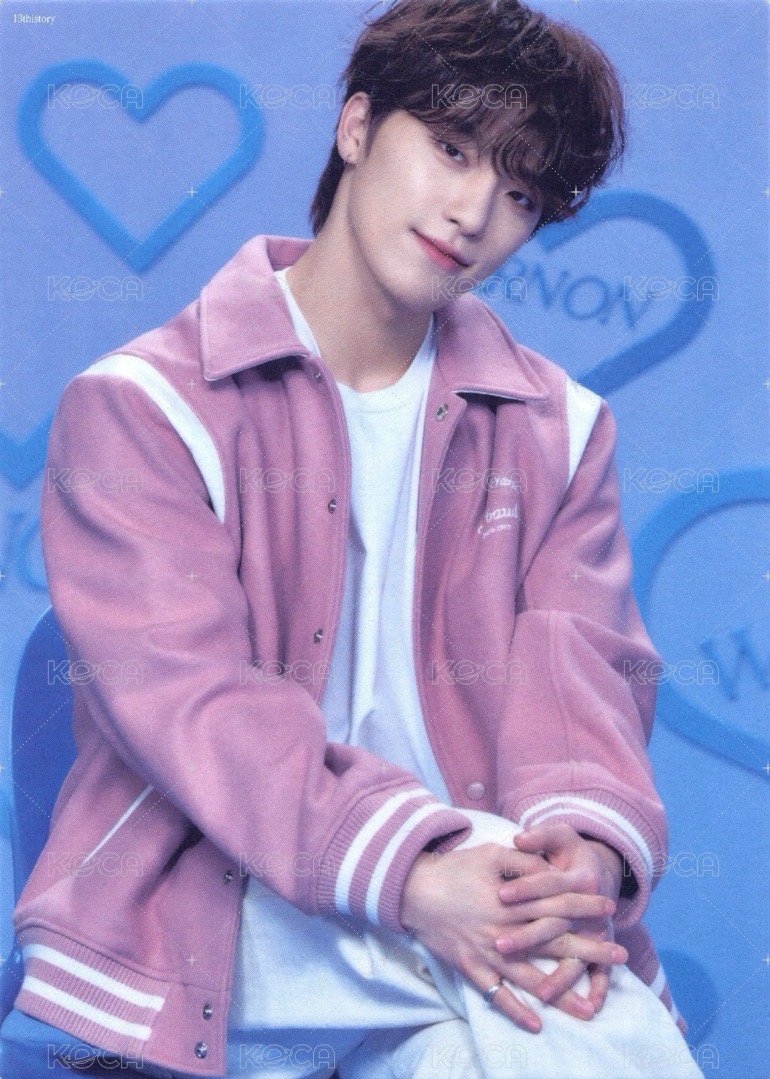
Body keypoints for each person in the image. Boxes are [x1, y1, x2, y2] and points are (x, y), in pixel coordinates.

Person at [7, 0, 704, 1076]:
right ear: (356, 125)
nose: (472, 212)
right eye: (452, 148)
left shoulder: (559, 430)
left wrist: (579, 856)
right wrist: (416, 876)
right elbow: (197, 708)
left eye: (520, 193)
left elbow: (583, 680)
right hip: (224, 906)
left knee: (524, 1010)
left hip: (477, 904)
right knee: (570, 1002)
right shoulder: (144, 408)